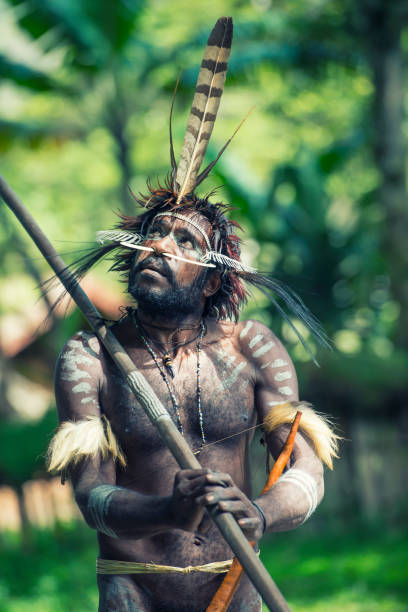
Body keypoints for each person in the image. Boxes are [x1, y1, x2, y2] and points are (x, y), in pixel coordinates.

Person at [47, 17, 339, 612]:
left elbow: (306, 469)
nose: (159, 247)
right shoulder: (91, 357)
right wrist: (167, 510)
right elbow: (90, 496)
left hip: (234, 584)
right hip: (134, 586)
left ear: (211, 281)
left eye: (181, 241)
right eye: (153, 235)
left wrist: (260, 513)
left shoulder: (254, 348)